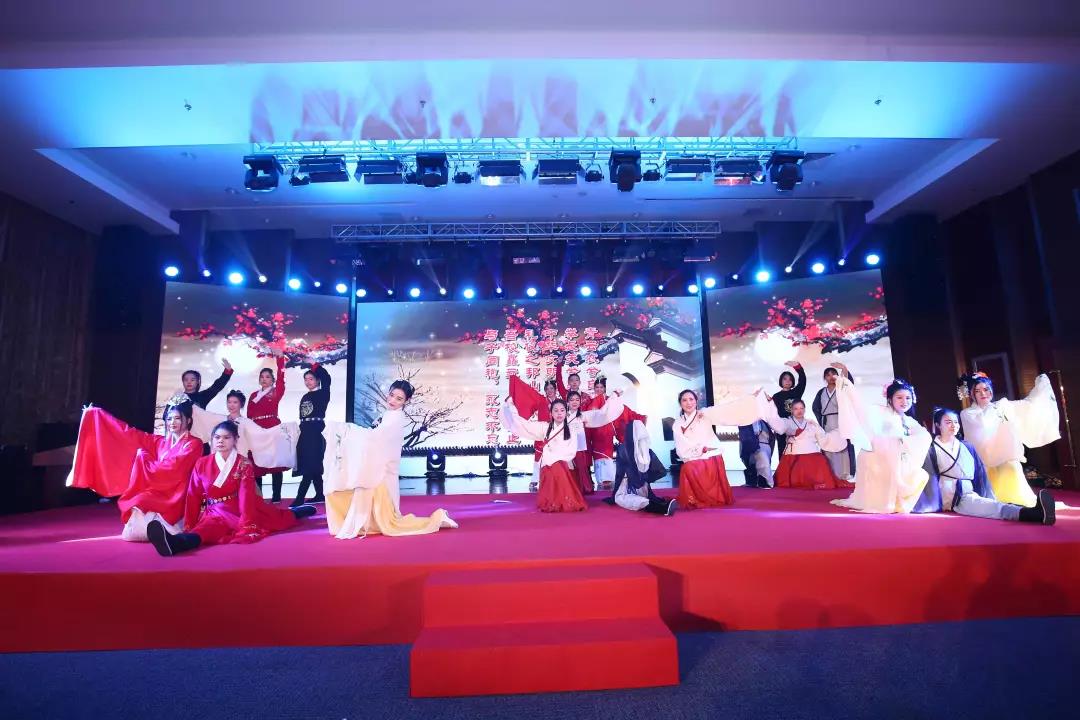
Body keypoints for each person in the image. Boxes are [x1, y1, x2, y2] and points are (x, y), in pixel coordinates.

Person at [146, 421, 316, 556]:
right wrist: (189, 523)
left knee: (281, 518)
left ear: (235, 440)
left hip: (240, 509)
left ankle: (299, 511)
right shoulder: (202, 463)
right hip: (215, 512)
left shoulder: (243, 463)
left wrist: (247, 524)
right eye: (217, 437)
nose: (221, 441)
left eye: (226, 437)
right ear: (212, 440)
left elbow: (246, 496)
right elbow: (193, 495)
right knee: (205, 530)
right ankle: (177, 543)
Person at [322, 380, 457, 539]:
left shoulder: (395, 418)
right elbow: (374, 437)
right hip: (380, 465)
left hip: (382, 469)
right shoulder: (389, 414)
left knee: (384, 515)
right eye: (392, 395)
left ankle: (434, 519)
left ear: (406, 401)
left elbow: (374, 437)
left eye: (399, 399)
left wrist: (346, 430)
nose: (393, 400)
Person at [67, 402, 203, 541]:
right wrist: (98, 415)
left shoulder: (194, 443)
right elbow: (130, 434)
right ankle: (156, 531)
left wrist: (144, 461)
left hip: (178, 493)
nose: (172, 422)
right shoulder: (160, 442)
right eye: (169, 418)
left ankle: (166, 530)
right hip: (158, 488)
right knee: (138, 500)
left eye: (177, 418)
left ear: (188, 420)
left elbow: (175, 468)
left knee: (144, 500)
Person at [912, 408, 1055, 524]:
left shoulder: (967, 446)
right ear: (938, 425)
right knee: (990, 507)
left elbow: (979, 473)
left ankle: (1033, 512)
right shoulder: (932, 448)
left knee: (989, 505)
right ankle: (1034, 514)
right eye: (948, 422)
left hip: (967, 489)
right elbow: (928, 476)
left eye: (955, 422)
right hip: (950, 495)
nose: (953, 425)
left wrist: (985, 492)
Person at [829, 365, 933, 514]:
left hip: (894, 459)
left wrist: (903, 441)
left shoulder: (909, 420)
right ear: (890, 399)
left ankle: (896, 501)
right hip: (876, 457)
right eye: (899, 397)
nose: (904, 401)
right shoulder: (878, 411)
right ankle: (882, 501)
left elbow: (924, 436)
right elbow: (858, 407)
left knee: (918, 474)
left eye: (908, 398)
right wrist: (845, 384)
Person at [502, 394, 626, 512]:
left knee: (559, 467)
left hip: (564, 460)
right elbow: (524, 425)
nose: (559, 413)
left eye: (562, 410)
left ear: (566, 412)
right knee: (554, 467)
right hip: (550, 462)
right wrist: (511, 406)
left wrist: (613, 397)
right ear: (551, 413)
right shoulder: (544, 427)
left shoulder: (572, 427)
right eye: (555, 411)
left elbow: (599, 415)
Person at [958, 372, 1060, 507]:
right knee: (990, 502)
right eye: (977, 391)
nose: (983, 393)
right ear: (971, 394)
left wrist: (1040, 388)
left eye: (986, 389)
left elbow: (1026, 407)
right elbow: (983, 424)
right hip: (984, 464)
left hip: (1006, 459)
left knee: (1014, 479)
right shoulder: (967, 413)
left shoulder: (1001, 406)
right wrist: (998, 407)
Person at [673, 388, 762, 509]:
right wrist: (699, 449)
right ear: (680, 403)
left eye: (691, 399)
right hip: (692, 455)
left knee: (696, 467)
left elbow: (727, 409)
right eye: (684, 400)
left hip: (710, 454)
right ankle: (696, 498)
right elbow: (681, 443)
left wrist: (749, 400)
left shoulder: (705, 413)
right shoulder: (678, 423)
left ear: (696, 401)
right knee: (688, 468)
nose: (688, 403)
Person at [761, 397, 852, 490]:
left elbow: (823, 438)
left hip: (813, 455)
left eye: (801, 408)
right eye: (796, 408)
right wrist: (770, 405)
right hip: (793, 455)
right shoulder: (788, 422)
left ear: (804, 409)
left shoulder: (812, 424)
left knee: (820, 476)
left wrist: (839, 433)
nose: (799, 411)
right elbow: (777, 425)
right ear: (791, 410)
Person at [608, 416, 677, 515]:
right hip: (633, 487)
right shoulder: (643, 451)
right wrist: (645, 479)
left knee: (630, 499)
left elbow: (620, 473)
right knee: (634, 500)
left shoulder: (624, 449)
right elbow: (660, 471)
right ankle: (661, 508)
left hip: (631, 487)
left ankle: (661, 507)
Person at [248, 352, 289, 502]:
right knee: (257, 464)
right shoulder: (253, 395)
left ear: (273, 380)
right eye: (262, 377)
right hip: (257, 430)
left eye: (267, 377)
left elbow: (281, 378)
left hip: (272, 429)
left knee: (275, 463)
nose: (264, 379)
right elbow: (249, 415)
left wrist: (280, 359)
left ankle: (276, 495)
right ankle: (259, 497)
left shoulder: (276, 392)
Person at [293, 362, 331, 507]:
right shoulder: (305, 396)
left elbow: (326, 378)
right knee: (312, 463)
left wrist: (315, 365)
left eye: (311, 379)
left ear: (317, 380)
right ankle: (320, 494)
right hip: (305, 431)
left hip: (315, 431)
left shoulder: (323, 393)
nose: (308, 382)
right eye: (306, 379)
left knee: (310, 464)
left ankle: (300, 497)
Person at [812, 367, 857, 483]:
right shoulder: (821, 392)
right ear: (824, 378)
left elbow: (850, 385)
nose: (831, 377)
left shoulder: (842, 389)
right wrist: (822, 421)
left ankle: (845, 473)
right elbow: (815, 408)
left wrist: (844, 369)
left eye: (833, 374)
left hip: (841, 421)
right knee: (828, 445)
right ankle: (830, 473)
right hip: (827, 422)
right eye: (828, 375)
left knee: (843, 446)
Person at [770, 360, 806, 457]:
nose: (787, 381)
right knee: (783, 452)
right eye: (785, 379)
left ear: (793, 381)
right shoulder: (776, 397)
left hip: (796, 426)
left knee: (798, 452)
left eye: (790, 379)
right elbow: (772, 413)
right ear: (781, 381)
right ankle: (783, 467)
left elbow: (803, 380)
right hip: (782, 428)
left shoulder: (796, 392)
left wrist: (798, 367)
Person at [566, 391, 595, 495]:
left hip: (579, 446)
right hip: (567, 446)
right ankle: (571, 489)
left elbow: (599, 415)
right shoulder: (564, 416)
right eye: (572, 400)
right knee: (570, 469)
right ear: (567, 402)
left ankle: (584, 488)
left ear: (580, 402)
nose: (574, 402)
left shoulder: (583, 415)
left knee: (582, 468)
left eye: (577, 400)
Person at [737, 420, 774, 488]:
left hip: (763, 445)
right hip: (751, 444)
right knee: (752, 462)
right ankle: (755, 482)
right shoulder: (746, 421)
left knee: (763, 463)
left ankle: (764, 482)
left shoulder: (764, 421)